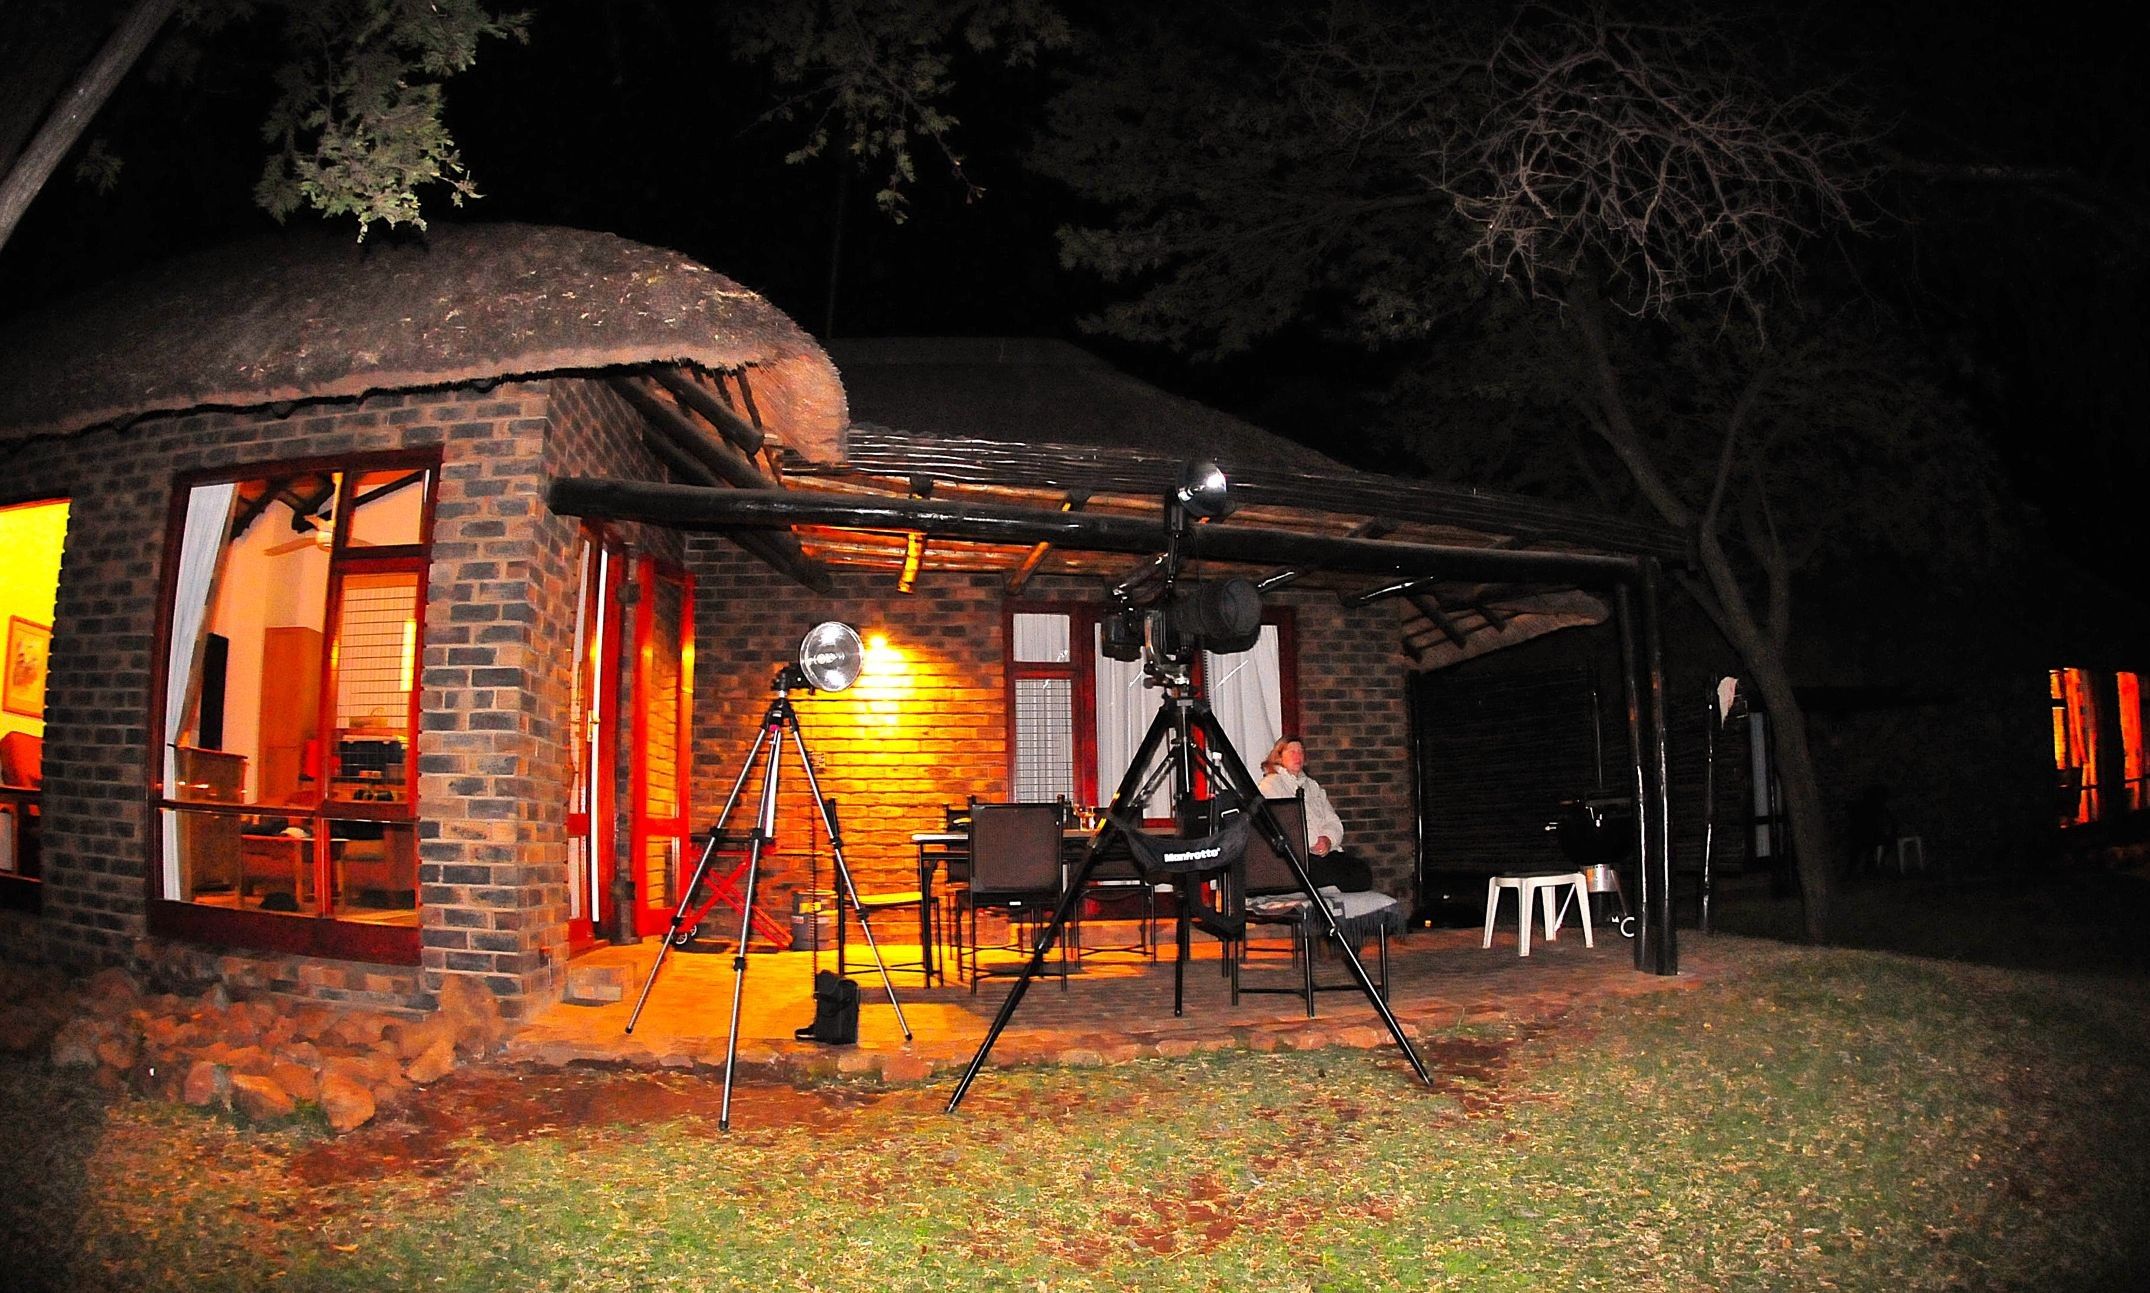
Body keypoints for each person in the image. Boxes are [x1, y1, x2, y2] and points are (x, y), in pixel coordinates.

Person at [1256, 736, 1374, 891]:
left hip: (1326, 854)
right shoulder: (1269, 786)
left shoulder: (1312, 786)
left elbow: (1333, 820)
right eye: (1292, 752)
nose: (1297, 756)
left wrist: (1328, 840)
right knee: (1324, 874)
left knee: (1362, 872)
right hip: (1300, 858)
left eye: (1300, 752)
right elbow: (1284, 825)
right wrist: (1312, 843)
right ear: (1279, 756)